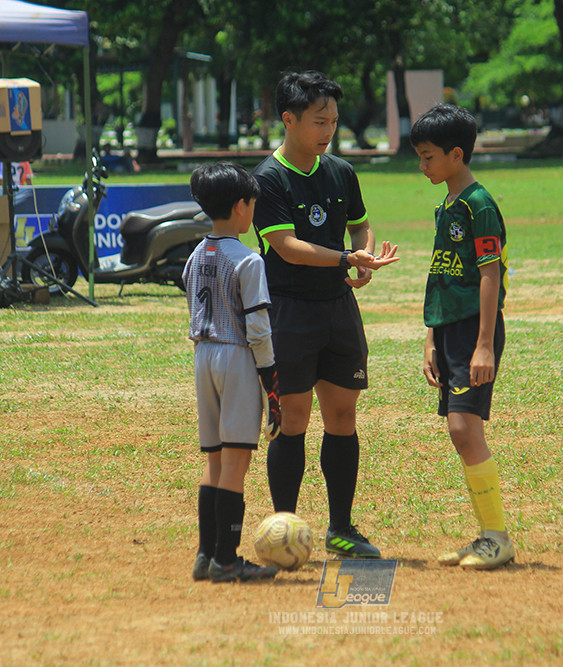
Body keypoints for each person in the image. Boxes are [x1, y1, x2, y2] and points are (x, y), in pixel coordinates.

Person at [251, 71, 399, 559]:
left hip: (337, 308)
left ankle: (341, 527)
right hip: (289, 310)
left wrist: (366, 256)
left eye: (333, 120)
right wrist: (344, 260)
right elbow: (287, 247)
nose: (328, 129)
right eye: (319, 120)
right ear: (288, 119)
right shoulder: (267, 179)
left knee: (342, 413)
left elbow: (360, 227)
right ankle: (284, 527)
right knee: (292, 418)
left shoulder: (340, 171)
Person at [411, 104, 514, 570]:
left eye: (429, 156)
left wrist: (485, 343)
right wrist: (431, 339)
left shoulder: (479, 205)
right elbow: (440, 274)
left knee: (462, 428)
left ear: (456, 154)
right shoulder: (446, 206)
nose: (422, 165)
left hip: (476, 329)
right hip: (449, 330)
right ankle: (486, 536)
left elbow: (490, 276)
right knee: (460, 431)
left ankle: (497, 537)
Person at [183, 161, 282, 583]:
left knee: (215, 459)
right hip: (236, 357)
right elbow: (258, 329)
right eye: (253, 204)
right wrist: (271, 383)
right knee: (237, 463)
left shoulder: (195, 253)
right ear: (241, 206)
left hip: (203, 355)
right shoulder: (248, 260)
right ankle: (227, 559)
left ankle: (206, 555)